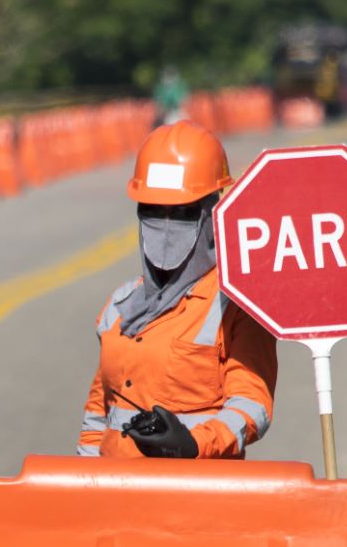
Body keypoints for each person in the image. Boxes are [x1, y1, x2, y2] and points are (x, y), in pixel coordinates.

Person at [76, 121, 277, 459]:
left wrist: (193, 444)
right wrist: (83, 480)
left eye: (183, 213)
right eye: (153, 211)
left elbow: (253, 406)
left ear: (213, 215)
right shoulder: (122, 305)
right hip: (116, 494)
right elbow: (100, 409)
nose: (166, 228)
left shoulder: (236, 305)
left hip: (196, 494)